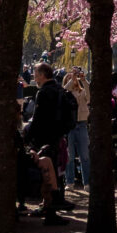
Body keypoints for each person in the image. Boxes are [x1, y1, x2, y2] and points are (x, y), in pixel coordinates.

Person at [22, 63, 77, 222]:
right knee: (56, 171)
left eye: (35, 74)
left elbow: (38, 119)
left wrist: (28, 138)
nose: (34, 77)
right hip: (58, 136)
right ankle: (50, 204)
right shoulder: (60, 90)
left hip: (44, 139)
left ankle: (50, 208)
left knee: (47, 174)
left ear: (42, 75)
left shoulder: (44, 92)